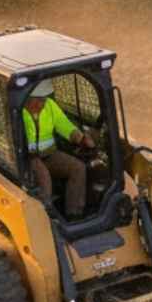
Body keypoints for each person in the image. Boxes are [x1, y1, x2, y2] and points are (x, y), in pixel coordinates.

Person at [23, 79, 97, 217]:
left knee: (78, 168)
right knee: (44, 178)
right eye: (38, 100)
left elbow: (63, 124)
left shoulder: (49, 106)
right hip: (28, 158)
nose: (42, 104)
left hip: (49, 155)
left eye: (44, 100)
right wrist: (30, 155)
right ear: (28, 97)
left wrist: (80, 138)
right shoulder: (19, 111)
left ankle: (74, 215)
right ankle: (46, 219)